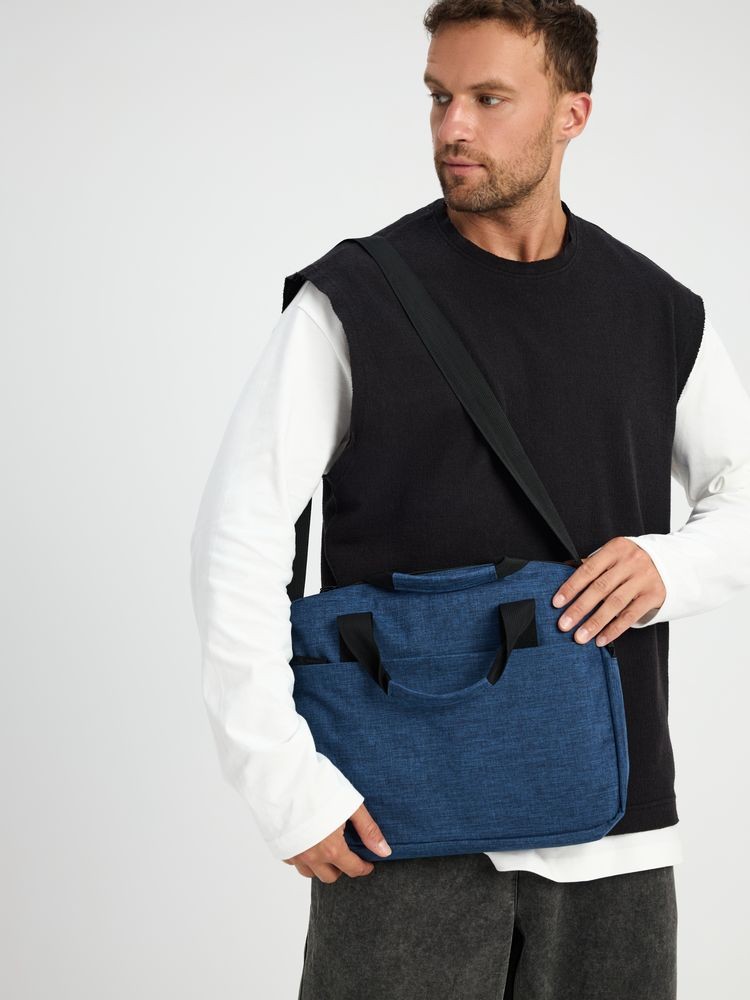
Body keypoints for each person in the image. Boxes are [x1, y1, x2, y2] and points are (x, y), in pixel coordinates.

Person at [189, 2, 750, 997]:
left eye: (490, 99)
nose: (453, 126)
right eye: (440, 96)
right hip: (400, 823)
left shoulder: (657, 310)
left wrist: (672, 567)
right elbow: (239, 536)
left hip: (614, 829)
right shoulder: (354, 298)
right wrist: (282, 783)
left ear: (572, 112)